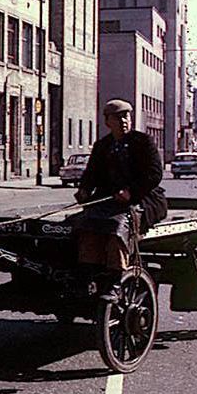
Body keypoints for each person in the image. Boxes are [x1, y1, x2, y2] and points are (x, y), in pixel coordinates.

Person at [74, 99, 167, 299]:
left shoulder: (143, 142)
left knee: (117, 226)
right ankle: (90, 274)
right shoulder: (102, 146)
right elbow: (91, 175)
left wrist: (130, 192)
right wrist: (84, 191)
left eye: (126, 116)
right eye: (118, 117)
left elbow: (154, 174)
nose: (124, 120)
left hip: (143, 199)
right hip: (109, 200)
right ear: (108, 121)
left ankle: (115, 279)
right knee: (85, 224)